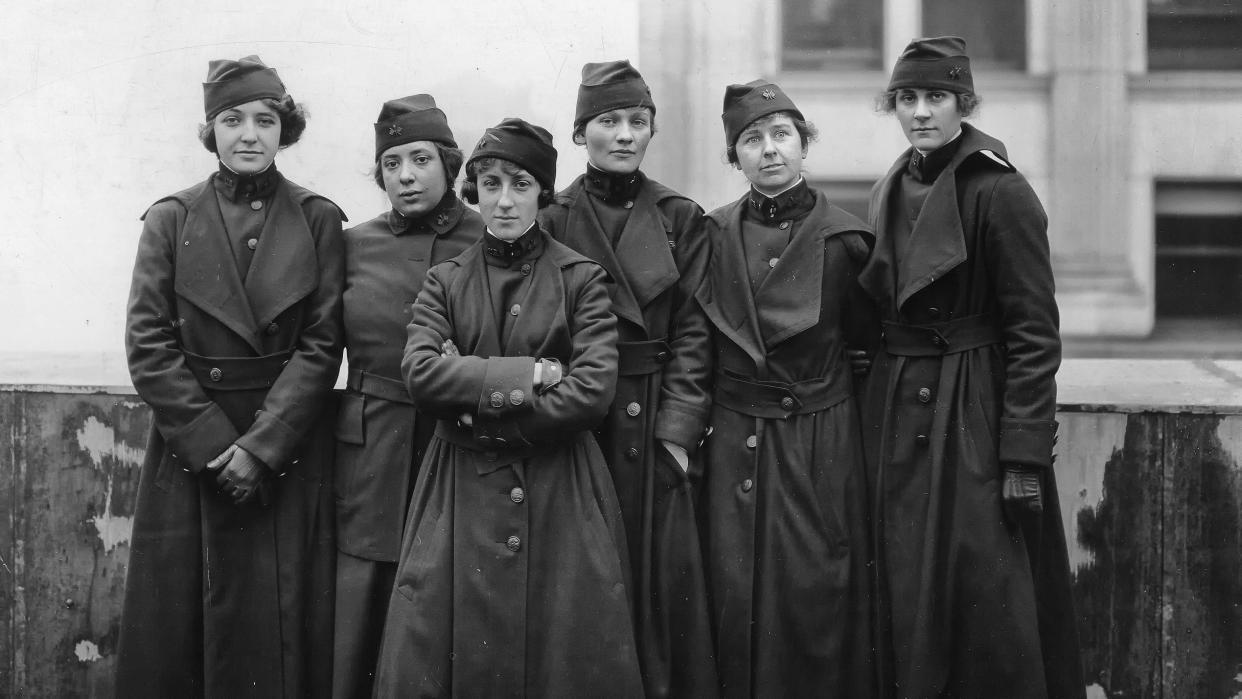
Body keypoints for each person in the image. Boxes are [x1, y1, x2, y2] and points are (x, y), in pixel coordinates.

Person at [373, 118, 643, 697]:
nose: (504, 200)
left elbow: (592, 391)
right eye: (490, 183)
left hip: (560, 492)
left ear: (542, 192)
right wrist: (533, 376)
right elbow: (422, 374)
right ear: (474, 188)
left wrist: (471, 397)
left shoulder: (580, 279)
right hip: (459, 490)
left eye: (520, 184)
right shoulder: (445, 281)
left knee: (565, 649)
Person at [858, 36, 1083, 698]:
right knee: (906, 591)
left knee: (988, 597)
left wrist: (1021, 454)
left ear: (964, 104)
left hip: (973, 413)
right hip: (899, 415)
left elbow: (1035, 333)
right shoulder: (889, 187)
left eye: (937, 97)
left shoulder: (1000, 192)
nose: (921, 112)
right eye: (907, 98)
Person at [117, 55, 345, 698]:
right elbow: (148, 345)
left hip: (285, 453)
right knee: (182, 630)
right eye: (233, 119)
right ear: (210, 130)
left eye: (265, 119)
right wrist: (218, 449)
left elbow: (323, 345)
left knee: (280, 624)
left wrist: (262, 450)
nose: (249, 133)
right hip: (194, 454)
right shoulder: (171, 218)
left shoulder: (320, 218)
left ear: (284, 128)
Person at [538, 59, 717, 698]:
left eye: (636, 122)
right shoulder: (553, 217)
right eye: (607, 121)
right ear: (582, 131)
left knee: (661, 590)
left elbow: (696, 332)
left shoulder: (679, 217)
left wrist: (677, 431)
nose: (623, 135)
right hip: (585, 425)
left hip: (657, 427)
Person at [694, 80, 876, 698]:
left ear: (803, 145)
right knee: (733, 589)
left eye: (781, 135)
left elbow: (869, 349)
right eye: (751, 140)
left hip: (819, 444)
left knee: (817, 590)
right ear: (734, 156)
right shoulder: (711, 236)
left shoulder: (847, 242)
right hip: (732, 440)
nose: (768, 151)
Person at [332, 94, 482, 699]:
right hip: (371, 450)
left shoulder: (487, 234)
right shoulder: (351, 244)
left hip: (459, 441)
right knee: (364, 601)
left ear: (450, 164)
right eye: (391, 164)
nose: (406, 176)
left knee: (454, 592)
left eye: (420, 159)